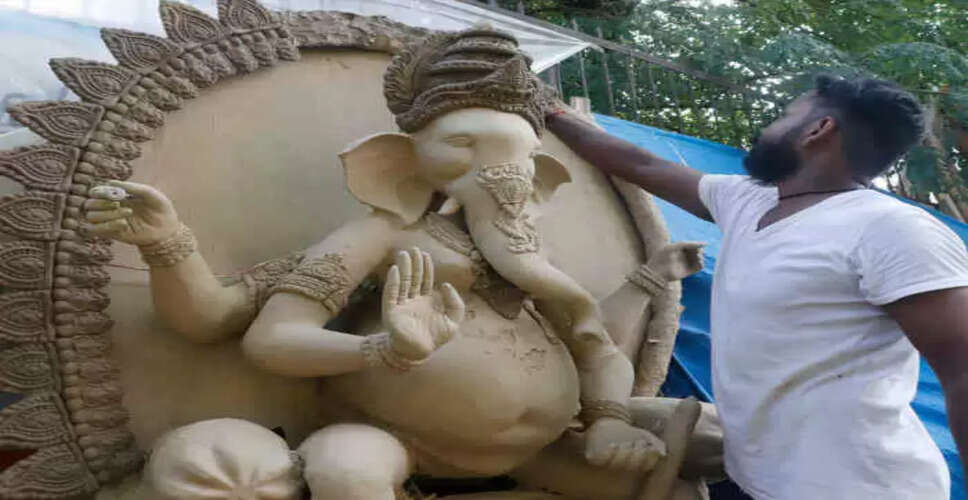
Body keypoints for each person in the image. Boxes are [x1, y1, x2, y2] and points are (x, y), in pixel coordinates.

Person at [546, 74, 968, 499]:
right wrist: (551, 111)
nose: (768, 127)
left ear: (818, 129)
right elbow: (643, 166)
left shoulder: (891, 229)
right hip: (760, 482)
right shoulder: (748, 201)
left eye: (785, 115)